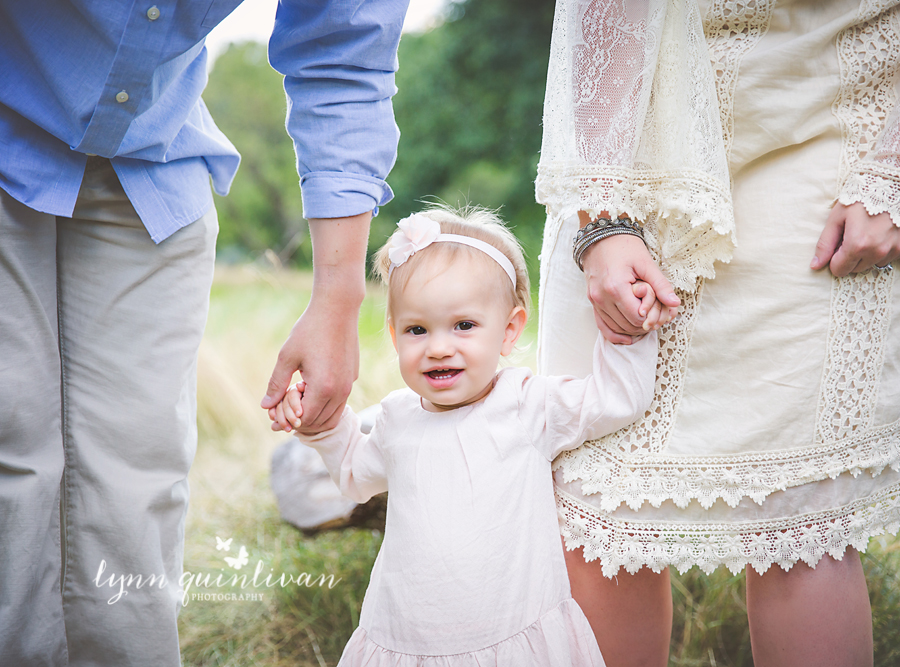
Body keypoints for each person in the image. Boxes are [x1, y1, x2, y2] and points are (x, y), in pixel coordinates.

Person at [535, 0, 900, 665]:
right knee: (594, 506)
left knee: (797, 524)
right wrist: (603, 212)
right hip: (628, 140)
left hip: (832, 125)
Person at [0, 1, 409, 665]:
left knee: (137, 480)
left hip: (152, 157)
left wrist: (337, 298)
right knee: (12, 453)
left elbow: (344, 49)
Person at [268, 207, 671, 665]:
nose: (439, 346)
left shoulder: (525, 404)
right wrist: (321, 423)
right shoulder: (398, 418)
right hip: (406, 636)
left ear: (509, 329)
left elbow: (616, 400)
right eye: (417, 329)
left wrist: (628, 331)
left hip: (513, 633)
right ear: (396, 339)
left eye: (464, 325)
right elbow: (353, 474)